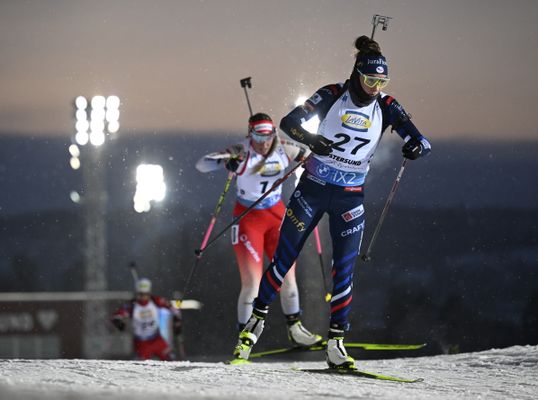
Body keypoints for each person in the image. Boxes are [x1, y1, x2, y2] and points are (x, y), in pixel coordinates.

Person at [234, 36, 432, 369]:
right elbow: (289, 123)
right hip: (312, 188)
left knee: (344, 270)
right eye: (370, 80)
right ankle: (252, 328)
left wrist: (416, 147)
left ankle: (336, 343)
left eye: (381, 82)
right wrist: (312, 139)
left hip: (350, 197)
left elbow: (421, 140)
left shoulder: (386, 104)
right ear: (357, 74)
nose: (374, 88)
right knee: (284, 259)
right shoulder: (332, 93)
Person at [195, 113, 322, 355]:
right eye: (257, 136)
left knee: (287, 277)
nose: (263, 143)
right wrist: (225, 162)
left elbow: (314, 157)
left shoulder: (284, 148)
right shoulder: (240, 151)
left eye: (267, 136)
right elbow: (202, 164)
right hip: (248, 219)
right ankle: (244, 339)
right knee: (252, 284)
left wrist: (311, 165)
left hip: (277, 216)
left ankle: (296, 330)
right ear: (249, 135)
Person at [111, 278, 182, 361]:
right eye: (141, 294)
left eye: (146, 294)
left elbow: (172, 308)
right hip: (141, 343)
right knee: (141, 365)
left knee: (171, 359)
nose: (143, 297)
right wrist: (118, 322)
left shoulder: (155, 301)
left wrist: (177, 320)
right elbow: (117, 315)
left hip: (157, 339)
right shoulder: (132, 305)